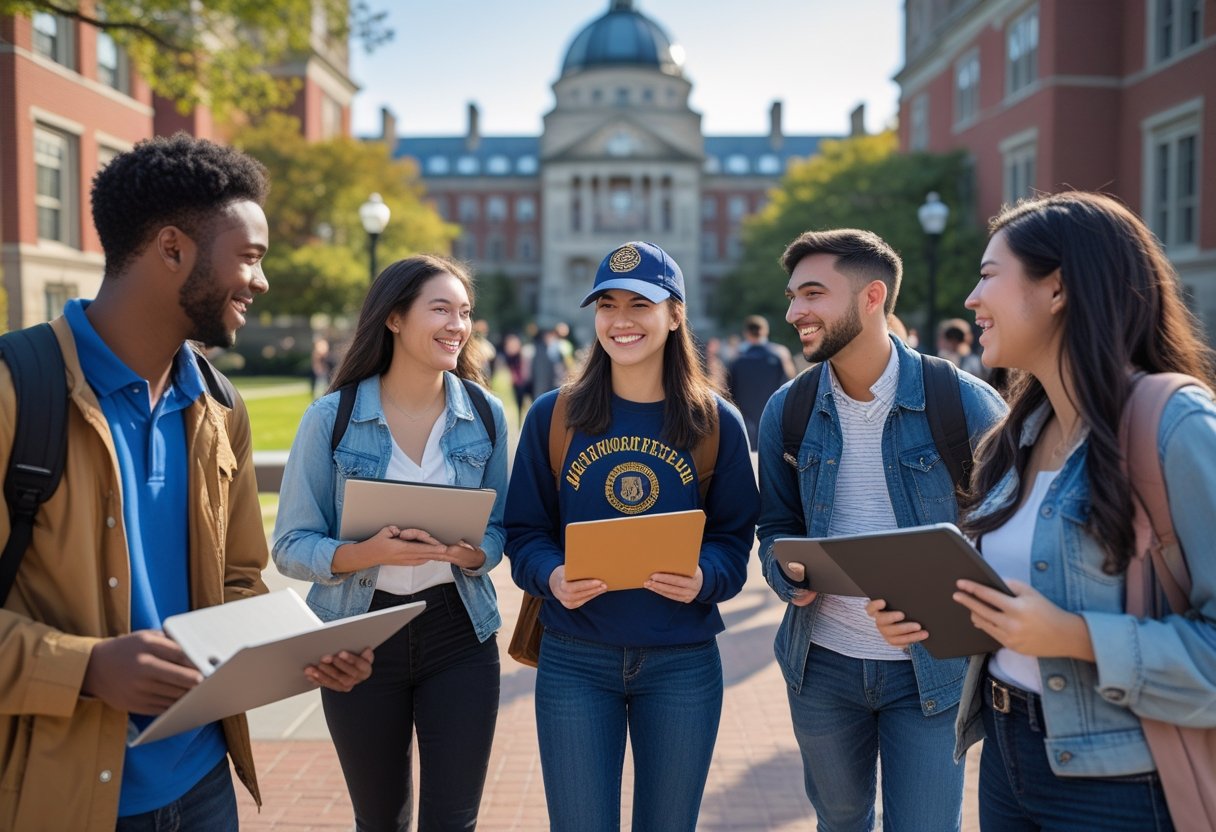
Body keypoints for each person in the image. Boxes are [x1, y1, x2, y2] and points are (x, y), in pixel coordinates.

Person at [0, 134, 372, 832]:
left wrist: (301, 649)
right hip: (65, 795)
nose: (261, 281)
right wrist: (85, 668)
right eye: (250, 257)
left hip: (204, 785)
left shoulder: (220, 406)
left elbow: (235, 586)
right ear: (172, 248)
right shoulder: (16, 391)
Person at [869, 192, 1216, 831]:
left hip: (1120, 780)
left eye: (989, 275)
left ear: (1056, 289)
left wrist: (1073, 638)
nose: (972, 299)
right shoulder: (1018, 435)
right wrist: (936, 620)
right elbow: (1020, 611)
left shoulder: (1175, 424)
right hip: (1006, 754)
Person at [755, 228, 1006, 831]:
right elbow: (775, 525)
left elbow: (1010, 538)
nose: (795, 312)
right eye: (792, 296)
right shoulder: (786, 410)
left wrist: (951, 598)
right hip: (822, 668)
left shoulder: (965, 405)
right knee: (839, 821)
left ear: (872, 298)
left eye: (813, 294)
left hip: (932, 669)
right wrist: (786, 574)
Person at [505, 241, 758, 831]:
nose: (621, 321)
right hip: (574, 657)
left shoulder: (716, 421)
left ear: (674, 315)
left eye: (640, 305)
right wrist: (551, 575)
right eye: (607, 305)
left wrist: (705, 578)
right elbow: (524, 531)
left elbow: (733, 538)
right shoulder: (554, 415)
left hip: (683, 663)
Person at [272, 254, 508, 832]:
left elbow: (500, 529)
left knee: (454, 821)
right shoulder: (332, 417)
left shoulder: (485, 414)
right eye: (441, 309)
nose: (458, 324)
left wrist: (473, 555)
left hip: (459, 631)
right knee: (380, 819)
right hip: (359, 637)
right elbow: (290, 544)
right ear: (395, 318)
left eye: (465, 312)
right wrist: (368, 553)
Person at [726, 314, 794, 450]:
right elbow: (789, 386)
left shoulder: (736, 360)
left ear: (746, 333)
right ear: (766, 331)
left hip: (746, 425)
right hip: (774, 424)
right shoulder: (779, 355)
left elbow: (729, 393)